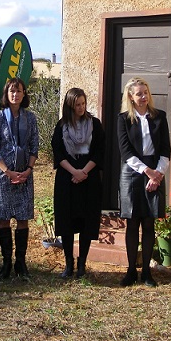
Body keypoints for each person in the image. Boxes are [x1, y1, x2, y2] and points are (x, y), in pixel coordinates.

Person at [117, 77, 171, 286]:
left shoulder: (160, 117)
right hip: (132, 172)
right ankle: (131, 271)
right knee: (132, 223)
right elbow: (125, 151)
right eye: (138, 94)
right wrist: (147, 172)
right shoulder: (123, 119)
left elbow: (165, 149)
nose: (143, 97)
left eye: (145, 93)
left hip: (156, 170)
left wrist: (158, 173)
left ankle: (147, 272)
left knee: (149, 223)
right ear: (130, 97)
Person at [51, 88, 104, 279]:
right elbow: (57, 152)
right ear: (70, 106)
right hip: (67, 178)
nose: (81, 108)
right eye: (77, 105)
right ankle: (68, 264)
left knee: (86, 222)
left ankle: (82, 264)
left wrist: (84, 172)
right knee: (67, 222)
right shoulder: (61, 126)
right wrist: (74, 171)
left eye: (83, 103)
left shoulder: (95, 124)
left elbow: (99, 151)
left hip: (88, 179)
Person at [0, 77, 39, 278]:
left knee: (23, 218)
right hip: (3, 176)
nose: (15, 94)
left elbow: (35, 146)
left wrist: (28, 169)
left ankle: (21, 262)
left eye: (18, 91)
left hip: (25, 176)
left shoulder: (31, 118)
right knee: (3, 219)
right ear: (6, 94)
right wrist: (7, 171)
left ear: (24, 94)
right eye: (11, 91)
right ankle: (7, 262)